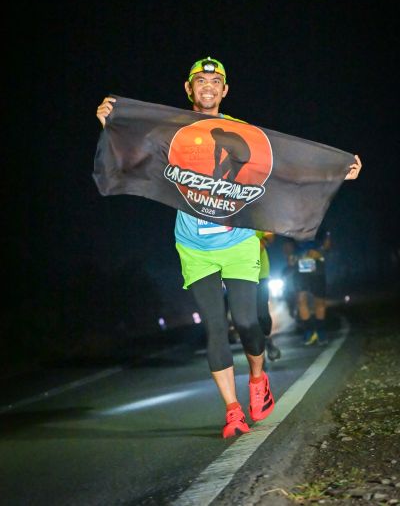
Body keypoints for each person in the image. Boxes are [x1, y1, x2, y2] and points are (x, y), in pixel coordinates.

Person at [96, 56, 362, 439]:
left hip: (238, 240)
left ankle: (257, 379)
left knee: (248, 322)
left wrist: (332, 171)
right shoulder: (170, 130)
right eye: (200, 81)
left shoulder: (242, 131)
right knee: (215, 329)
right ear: (189, 89)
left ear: (224, 90)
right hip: (194, 245)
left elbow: (284, 167)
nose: (208, 87)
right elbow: (133, 152)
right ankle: (232, 410)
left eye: (215, 81)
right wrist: (112, 123)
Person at [294, 230, 332, 346]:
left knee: (319, 301)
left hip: (317, 263)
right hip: (300, 263)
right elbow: (288, 243)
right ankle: (309, 331)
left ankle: (321, 332)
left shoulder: (319, 222)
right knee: (301, 300)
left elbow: (327, 242)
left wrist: (321, 251)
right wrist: (291, 255)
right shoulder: (292, 221)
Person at [256, 231, 281, 361]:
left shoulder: (256, 219)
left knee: (262, 315)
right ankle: (257, 351)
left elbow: (270, 234)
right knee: (247, 318)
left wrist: (264, 241)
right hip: (238, 275)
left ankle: (267, 339)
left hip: (260, 274)